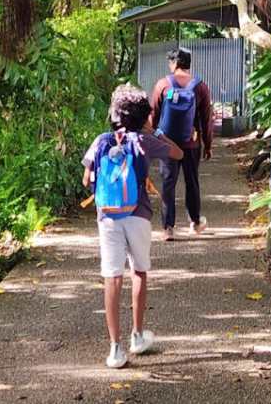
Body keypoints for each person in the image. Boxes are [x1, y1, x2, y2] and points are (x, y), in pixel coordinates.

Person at [82, 83, 183, 369]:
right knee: (139, 270)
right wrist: (155, 132)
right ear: (143, 115)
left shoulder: (101, 140)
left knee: (112, 278)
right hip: (138, 213)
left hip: (108, 217)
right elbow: (177, 155)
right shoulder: (144, 141)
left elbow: (87, 181)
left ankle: (115, 349)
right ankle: (137, 336)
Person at [150, 47, 213, 240]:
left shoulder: (162, 84)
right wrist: (208, 145)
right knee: (191, 182)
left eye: (170, 63)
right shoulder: (200, 87)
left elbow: (153, 115)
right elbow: (206, 120)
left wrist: (153, 142)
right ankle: (194, 223)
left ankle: (168, 228)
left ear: (175, 63)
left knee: (168, 183)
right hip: (191, 144)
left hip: (168, 144)